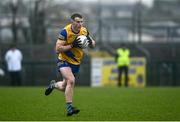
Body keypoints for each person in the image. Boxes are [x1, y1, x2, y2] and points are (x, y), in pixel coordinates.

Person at [45, 13, 95, 116]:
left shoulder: (84, 31)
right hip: (63, 60)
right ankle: (70, 108)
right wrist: (72, 45)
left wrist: (90, 42)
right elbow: (57, 49)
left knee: (64, 86)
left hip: (76, 62)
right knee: (71, 81)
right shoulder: (65, 32)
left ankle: (53, 85)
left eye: (81, 22)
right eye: (77, 22)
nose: (80, 24)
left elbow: (93, 44)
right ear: (72, 21)